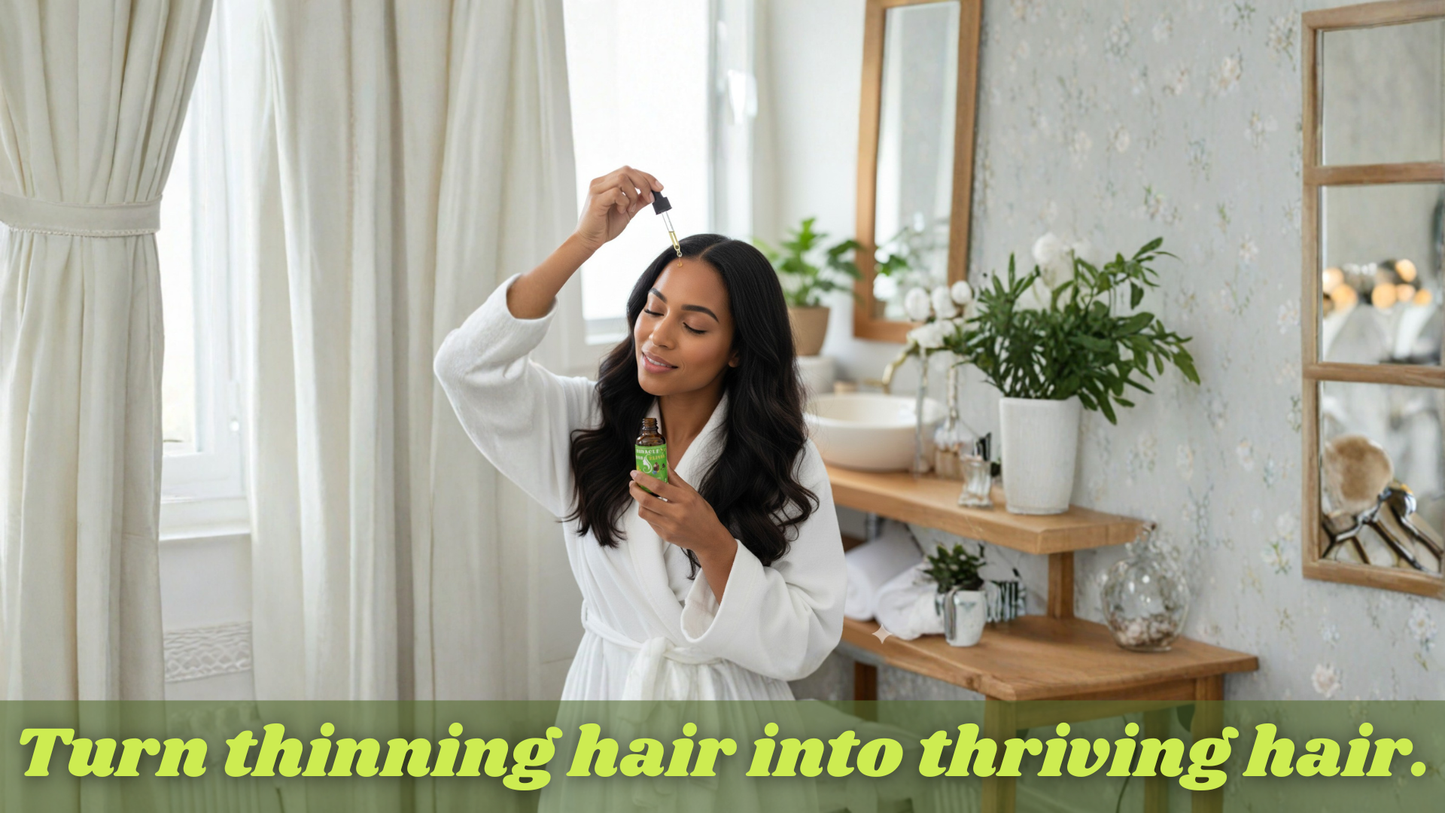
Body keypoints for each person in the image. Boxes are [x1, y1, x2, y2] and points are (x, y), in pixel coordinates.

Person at [433, 165, 846, 702]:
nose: (658, 336)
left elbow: (807, 639)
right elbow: (465, 367)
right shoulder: (589, 422)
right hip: (612, 695)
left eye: (694, 326)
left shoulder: (784, 458)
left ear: (739, 351)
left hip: (732, 716)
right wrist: (584, 243)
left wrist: (714, 544)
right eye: (653, 309)